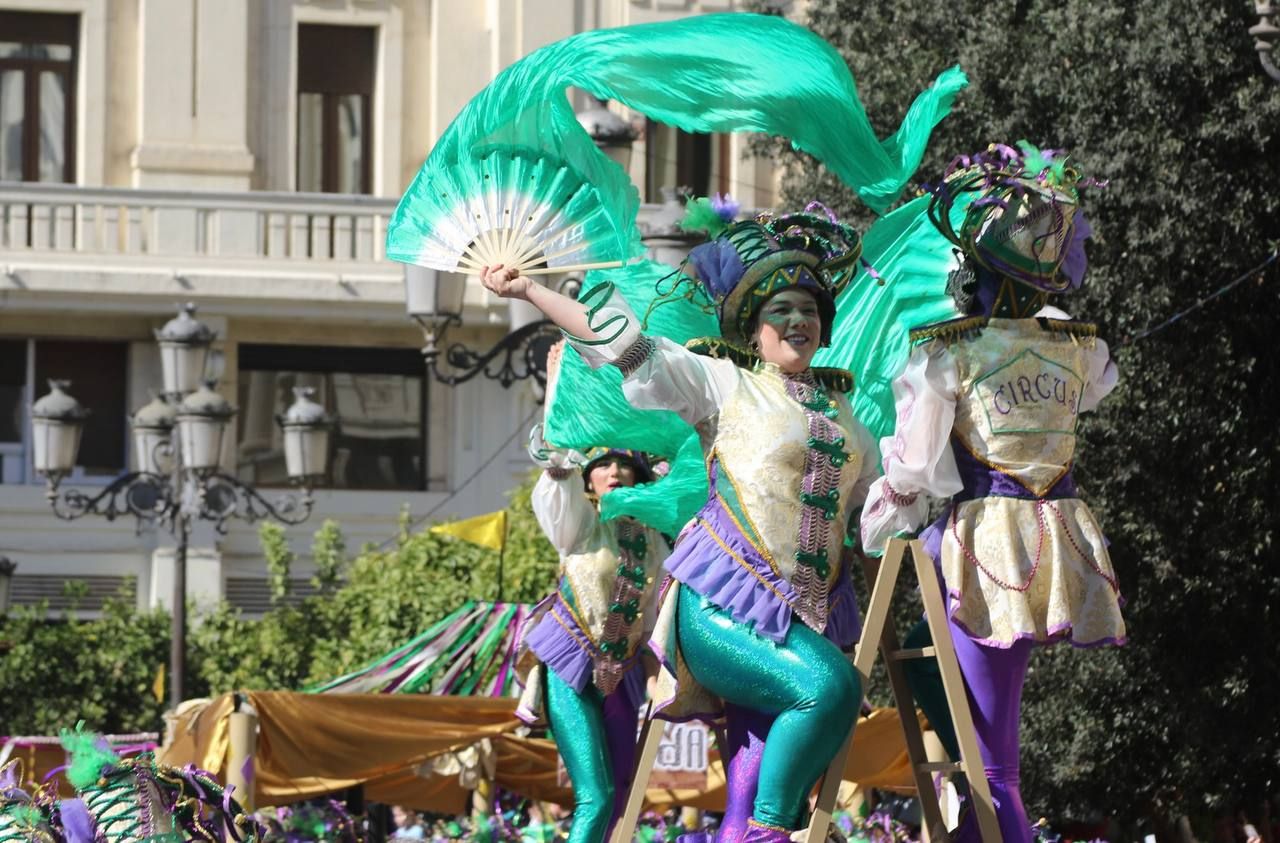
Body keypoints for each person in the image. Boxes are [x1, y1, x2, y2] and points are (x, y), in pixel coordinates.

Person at [485, 206, 878, 842]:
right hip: (727, 611)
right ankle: (770, 835)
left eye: (808, 308)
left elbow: (877, 497)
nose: (798, 319)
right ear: (753, 327)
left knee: (747, 781)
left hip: (807, 614)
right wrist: (532, 290)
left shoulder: (844, 413)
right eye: (781, 309)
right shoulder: (723, 383)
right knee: (832, 689)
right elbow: (626, 344)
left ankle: (752, 828)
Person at [860, 142, 1126, 843]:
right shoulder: (1076, 345)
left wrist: (885, 499)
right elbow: (1084, 399)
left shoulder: (952, 349)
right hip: (1052, 532)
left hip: (987, 537)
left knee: (991, 763)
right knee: (930, 662)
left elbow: (915, 467)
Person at [516, 428, 670, 843]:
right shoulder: (581, 521)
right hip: (569, 660)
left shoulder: (655, 541)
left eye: (625, 465)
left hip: (622, 674)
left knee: (623, 792)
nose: (616, 472)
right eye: (603, 464)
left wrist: (659, 683)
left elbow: (657, 619)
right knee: (596, 796)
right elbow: (556, 486)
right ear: (589, 478)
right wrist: (558, 413)